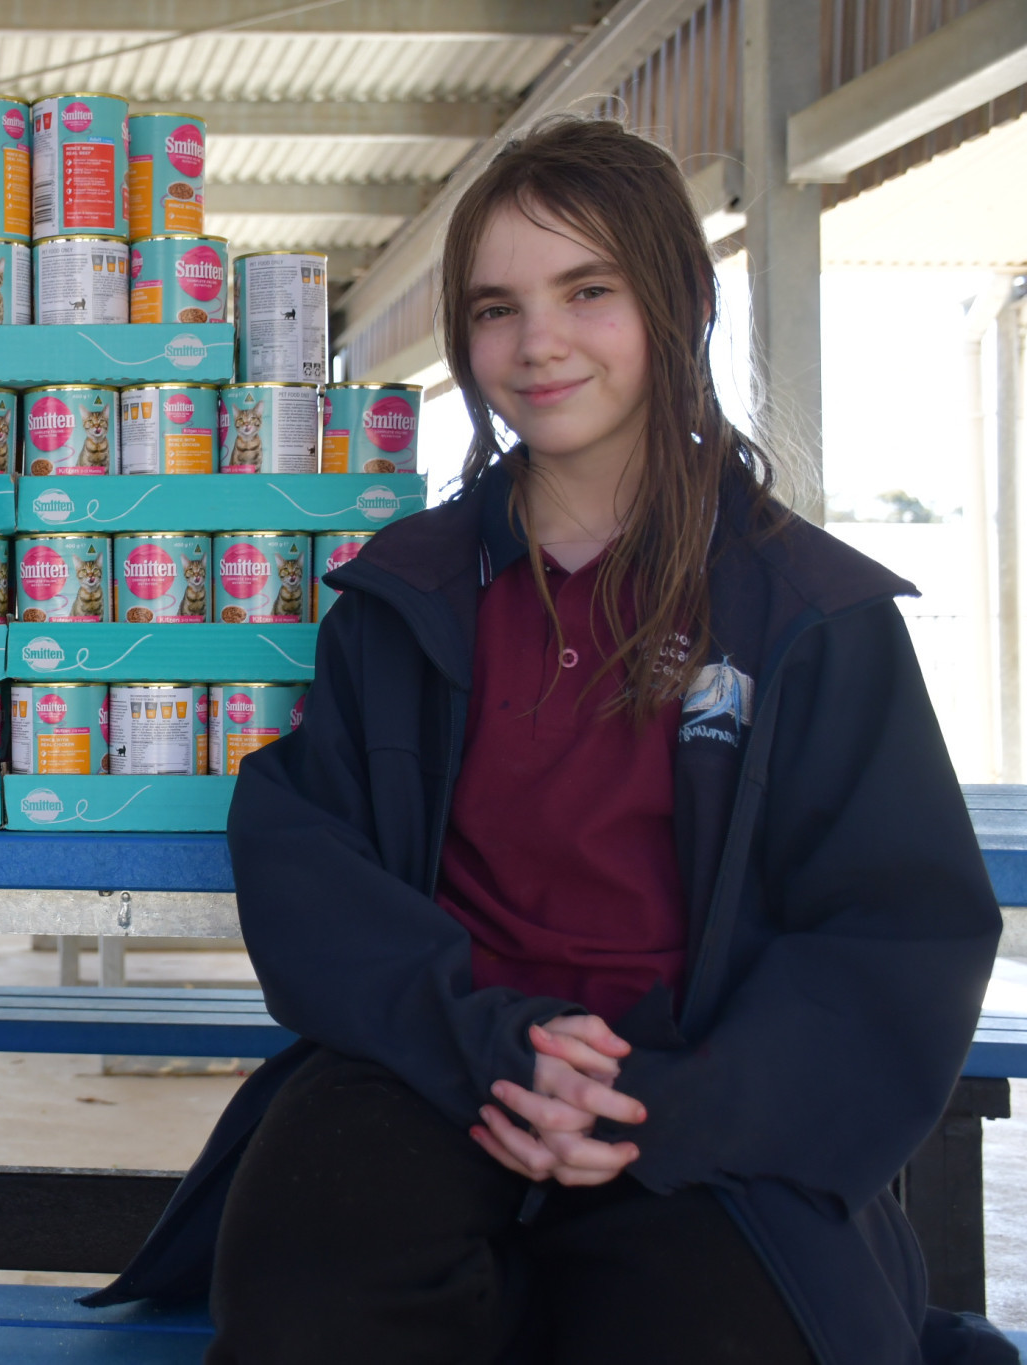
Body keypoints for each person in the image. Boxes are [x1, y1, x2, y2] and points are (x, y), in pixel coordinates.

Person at [87, 118, 1013, 1364]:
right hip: (438, 1059)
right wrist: (485, 1038)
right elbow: (308, 853)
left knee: (715, 1329)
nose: (536, 344)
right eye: (493, 308)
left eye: (588, 291)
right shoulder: (405, 594)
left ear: (678, 302)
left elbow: (894, 926)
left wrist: (669, 1104)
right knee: (309, 1284)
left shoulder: (808, 614)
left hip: (698, 1089)